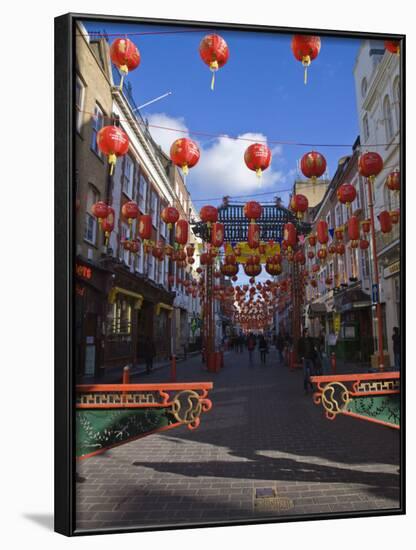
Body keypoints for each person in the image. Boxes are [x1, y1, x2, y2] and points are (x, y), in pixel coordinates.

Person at [298, 328, 317, 394]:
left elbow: (313, 348)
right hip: (305, 359)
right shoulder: (301, 340)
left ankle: (312, 386)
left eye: (308, 332)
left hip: (310, 358)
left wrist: (314, 355)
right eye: (307, 332)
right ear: (304, 333)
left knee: (312, 373)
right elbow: (299, 349)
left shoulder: (311, 339)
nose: (308, 333)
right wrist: (301, 357)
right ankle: (306, 388)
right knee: (305, 374)